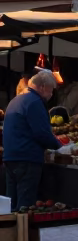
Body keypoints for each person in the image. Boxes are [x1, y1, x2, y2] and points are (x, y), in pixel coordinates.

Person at [3, 70, 62, 209]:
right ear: (42, 87)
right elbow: (41, 133)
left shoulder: (17, 99)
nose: (51, 94)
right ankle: (23, 231)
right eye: (51, 90)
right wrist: (60, 147)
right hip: (27, 159)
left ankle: (10, 231)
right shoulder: (34, 102)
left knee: (10, 206)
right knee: (25, 205)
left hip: (11, 158)